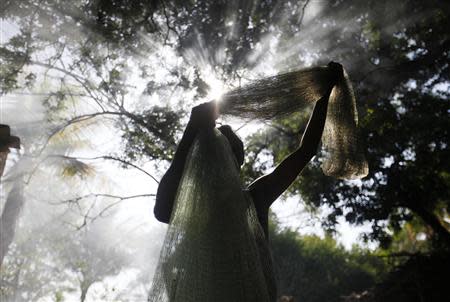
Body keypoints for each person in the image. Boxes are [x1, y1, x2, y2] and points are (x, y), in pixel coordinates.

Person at [152, 63, 340, 301]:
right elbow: (306, 151)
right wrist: (191, 130)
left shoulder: (242, 202)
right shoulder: (242, 201)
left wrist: (324, 97)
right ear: (238, 161)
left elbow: (306, 151)